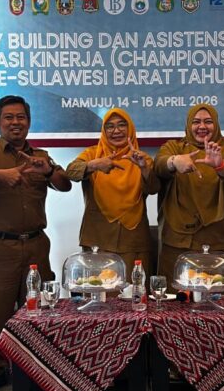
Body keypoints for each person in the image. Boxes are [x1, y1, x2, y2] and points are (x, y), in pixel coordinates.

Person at [0, 95, 71, 391]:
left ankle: (35, 369)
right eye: (9, 117)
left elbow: (64, 184)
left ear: (29, 122)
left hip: (36, 245)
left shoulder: (40, 155)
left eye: (21, 117)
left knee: (38, 310)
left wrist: (47, 171)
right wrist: (0, 176)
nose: (15, 123)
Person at [154, 104, 224, 286]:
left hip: (218, 239)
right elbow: (158, 165)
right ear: (189, 125)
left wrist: (220, 165)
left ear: (216, 125)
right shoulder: (174, 147)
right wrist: (175, 161)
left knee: (220, 296)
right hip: (177, 241)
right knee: (175, 298)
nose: (202, 126)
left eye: (208, 122)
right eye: (196, 122)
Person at [66, 107, 159, 280]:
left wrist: (143, 168)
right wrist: (94, 165)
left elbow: (153, 188)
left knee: (133, 292)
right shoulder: (92, 153)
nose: (116, 131)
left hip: (134, 240)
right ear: (104, 130)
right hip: (97, 239)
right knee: (98, 291)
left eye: (122, 125)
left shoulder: (142, 158)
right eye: (110, 126)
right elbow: (70, 172)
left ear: (130, 128)